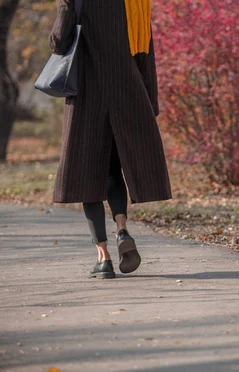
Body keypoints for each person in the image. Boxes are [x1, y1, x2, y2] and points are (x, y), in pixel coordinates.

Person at [48, 0, 172, 279]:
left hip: (87, 97)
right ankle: (122, 228)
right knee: (113, 170)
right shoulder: (135, 3)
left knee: (86, 176)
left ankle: (103, 258)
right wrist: (149, 103)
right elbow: (145, 54)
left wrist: (65, 8)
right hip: (128, 92)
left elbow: (59, 42)